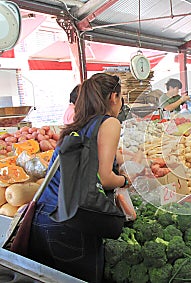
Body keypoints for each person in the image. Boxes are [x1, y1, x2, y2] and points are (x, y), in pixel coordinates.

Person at [28, 73, 131, 282]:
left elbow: (100, 157)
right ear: (113, 97)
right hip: (73, 223)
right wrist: (126, 181)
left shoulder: (79, 124)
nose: (121, 104)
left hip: (44, 219)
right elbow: (105, 179)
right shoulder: (110, 122)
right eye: (122, 98)